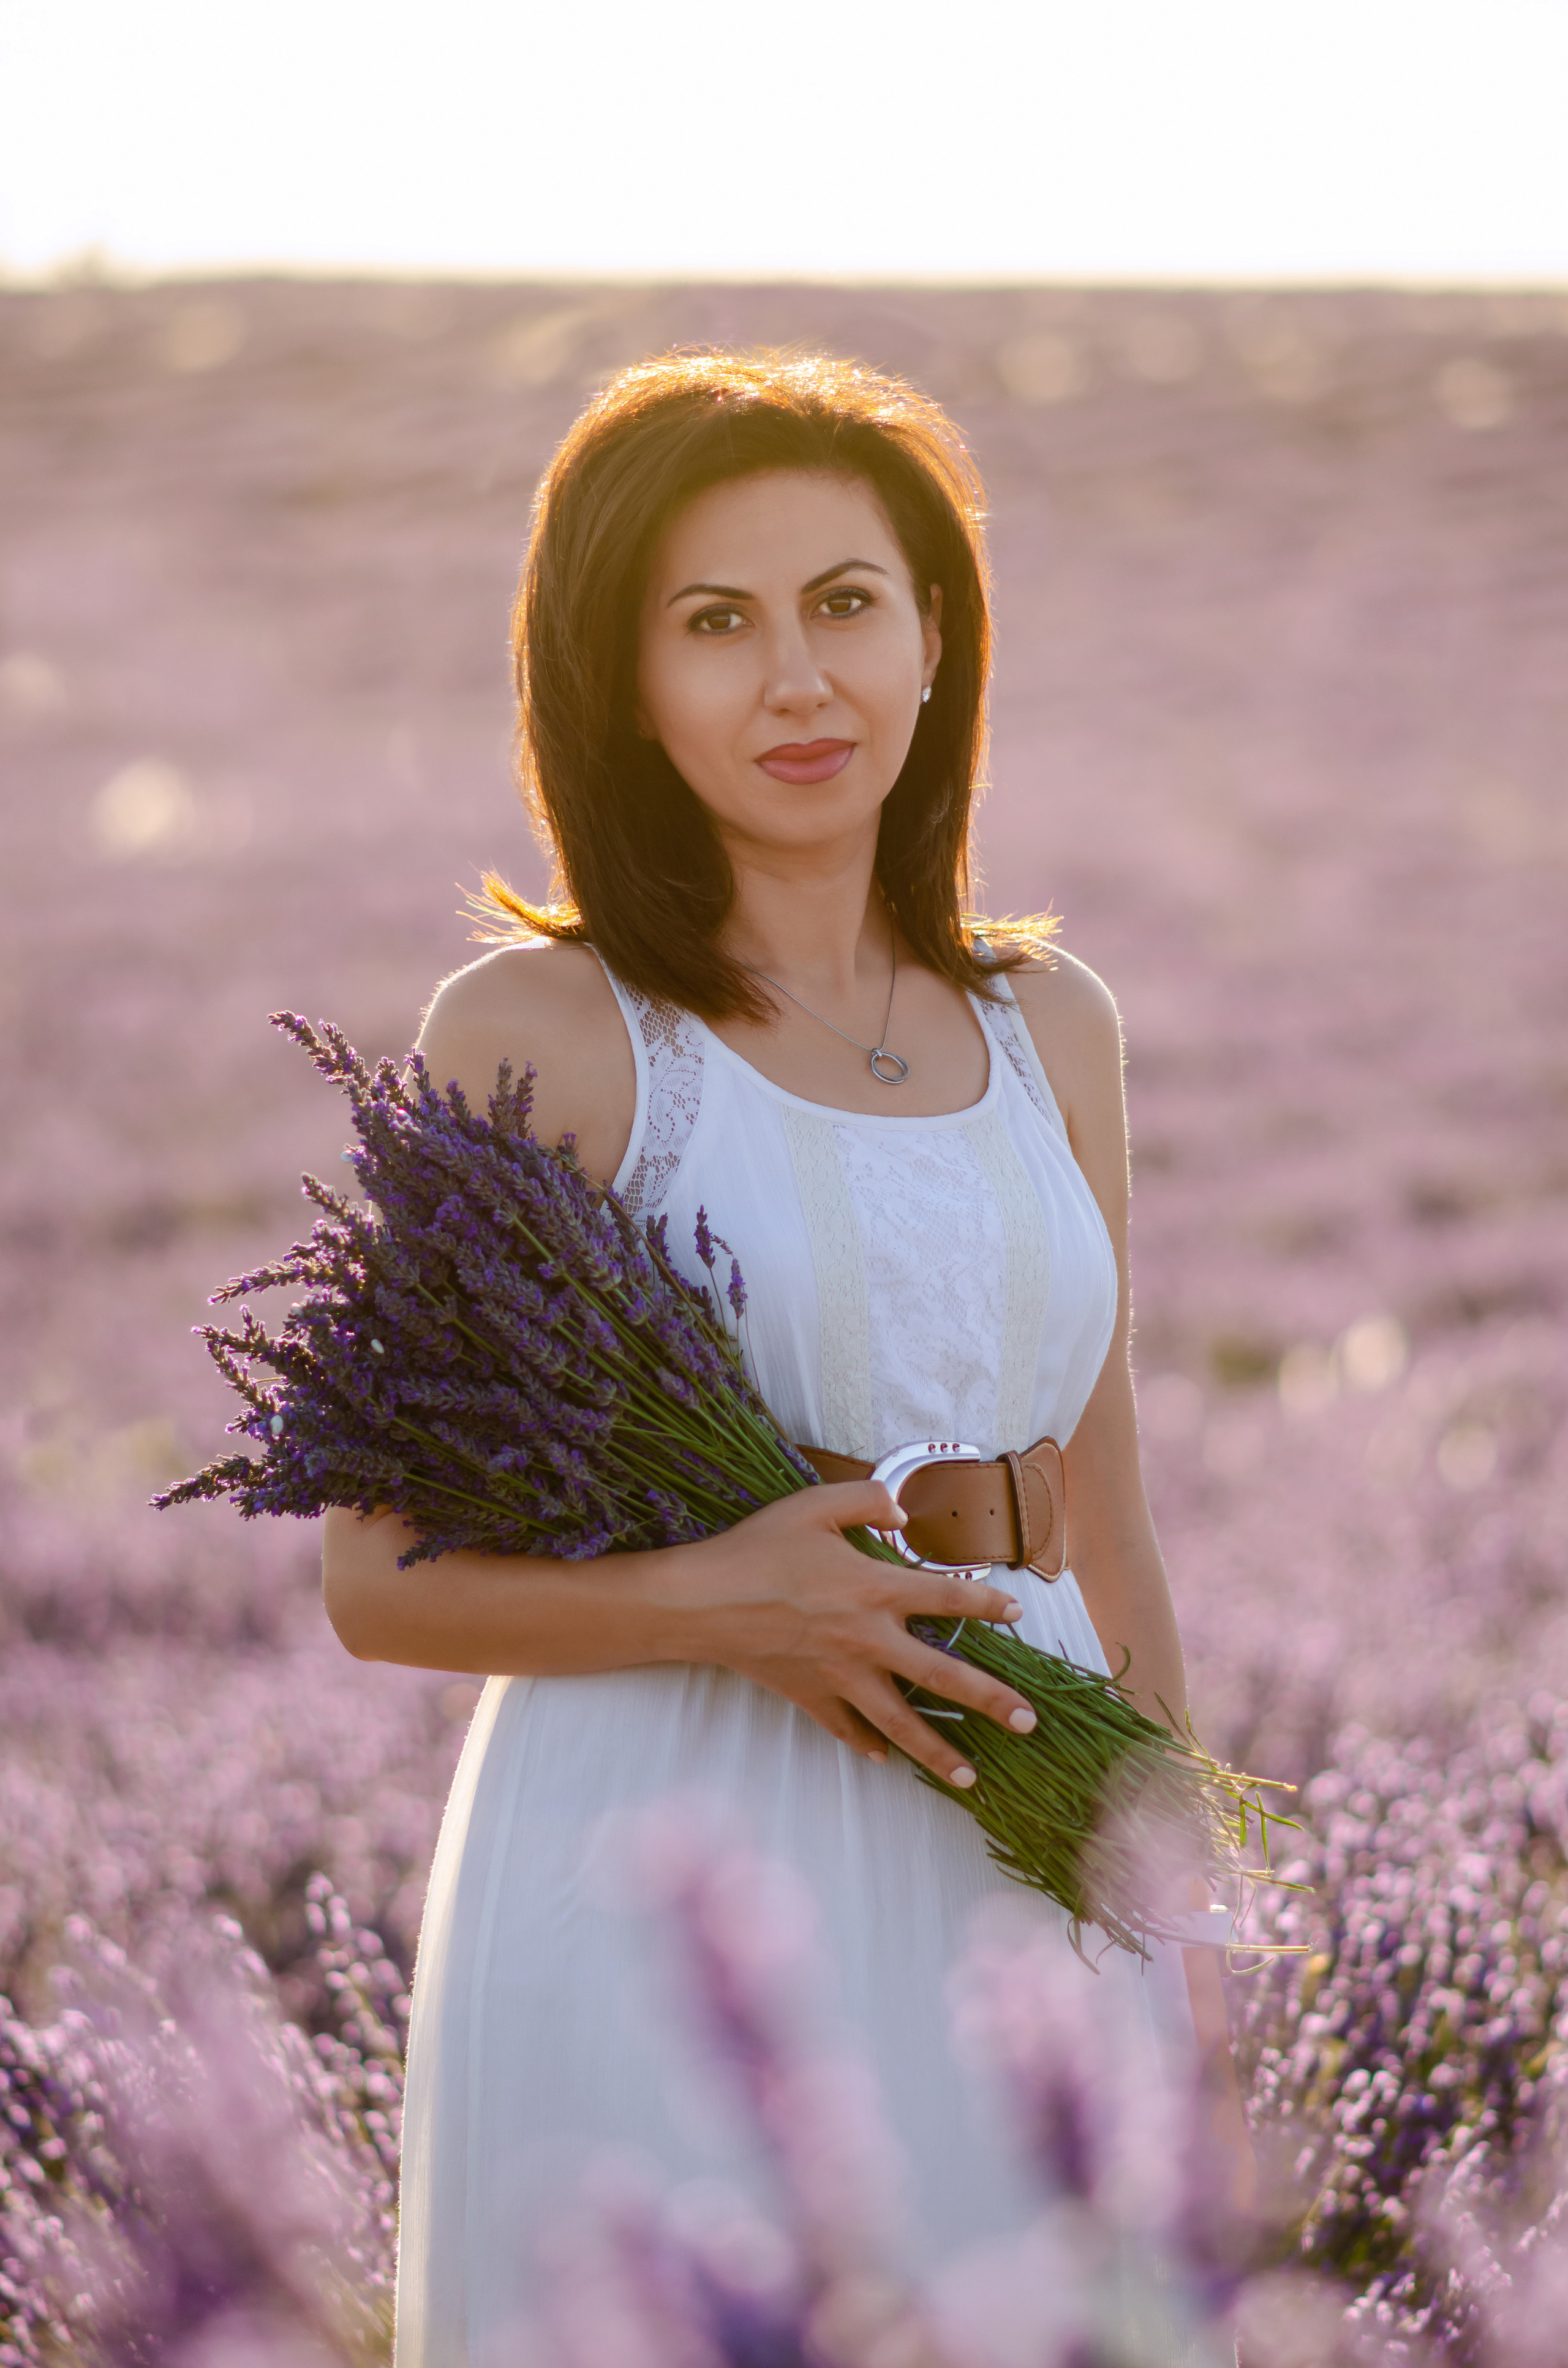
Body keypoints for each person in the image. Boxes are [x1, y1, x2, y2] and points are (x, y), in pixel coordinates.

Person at [320, 350, 1245, 2361]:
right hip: (670, 1843)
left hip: (1025, 1807)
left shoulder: (1052, 1021)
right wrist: (733, 1601)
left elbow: (1113, 1509)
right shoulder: (542, 1031)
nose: (798, 679)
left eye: (846, 602)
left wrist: (1174, 1893)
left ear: (937, 637)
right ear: (621, 680)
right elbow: (372, 1580)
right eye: (714, 624)